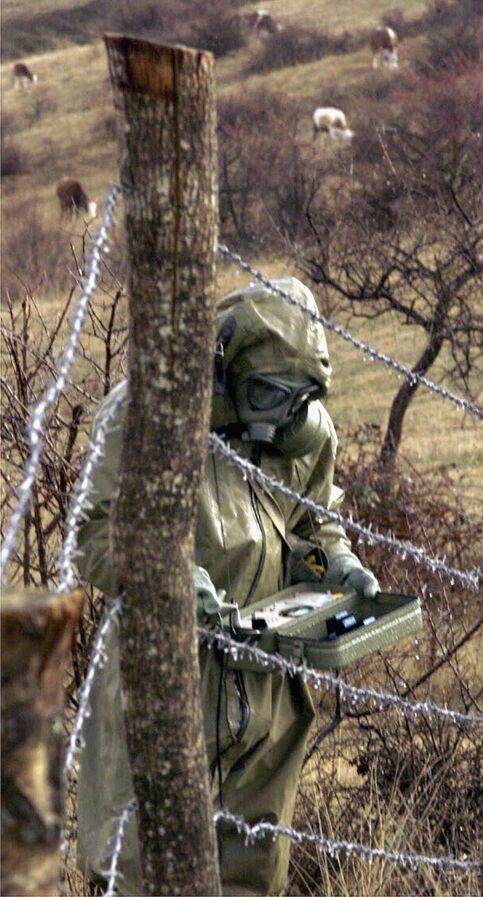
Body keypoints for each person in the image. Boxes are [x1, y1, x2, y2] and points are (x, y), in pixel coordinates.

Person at [75, 277, 379, 896]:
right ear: (224, 366)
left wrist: (334, 565)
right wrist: (166, 579)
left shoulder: (305, 435)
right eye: (265, 390)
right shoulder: (148, 417)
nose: (280, 411)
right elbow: (93, 536)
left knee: (252, 878)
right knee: (141, 877)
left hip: (265, 697)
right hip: (162, 693)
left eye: (297, 397)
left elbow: (310, 526)